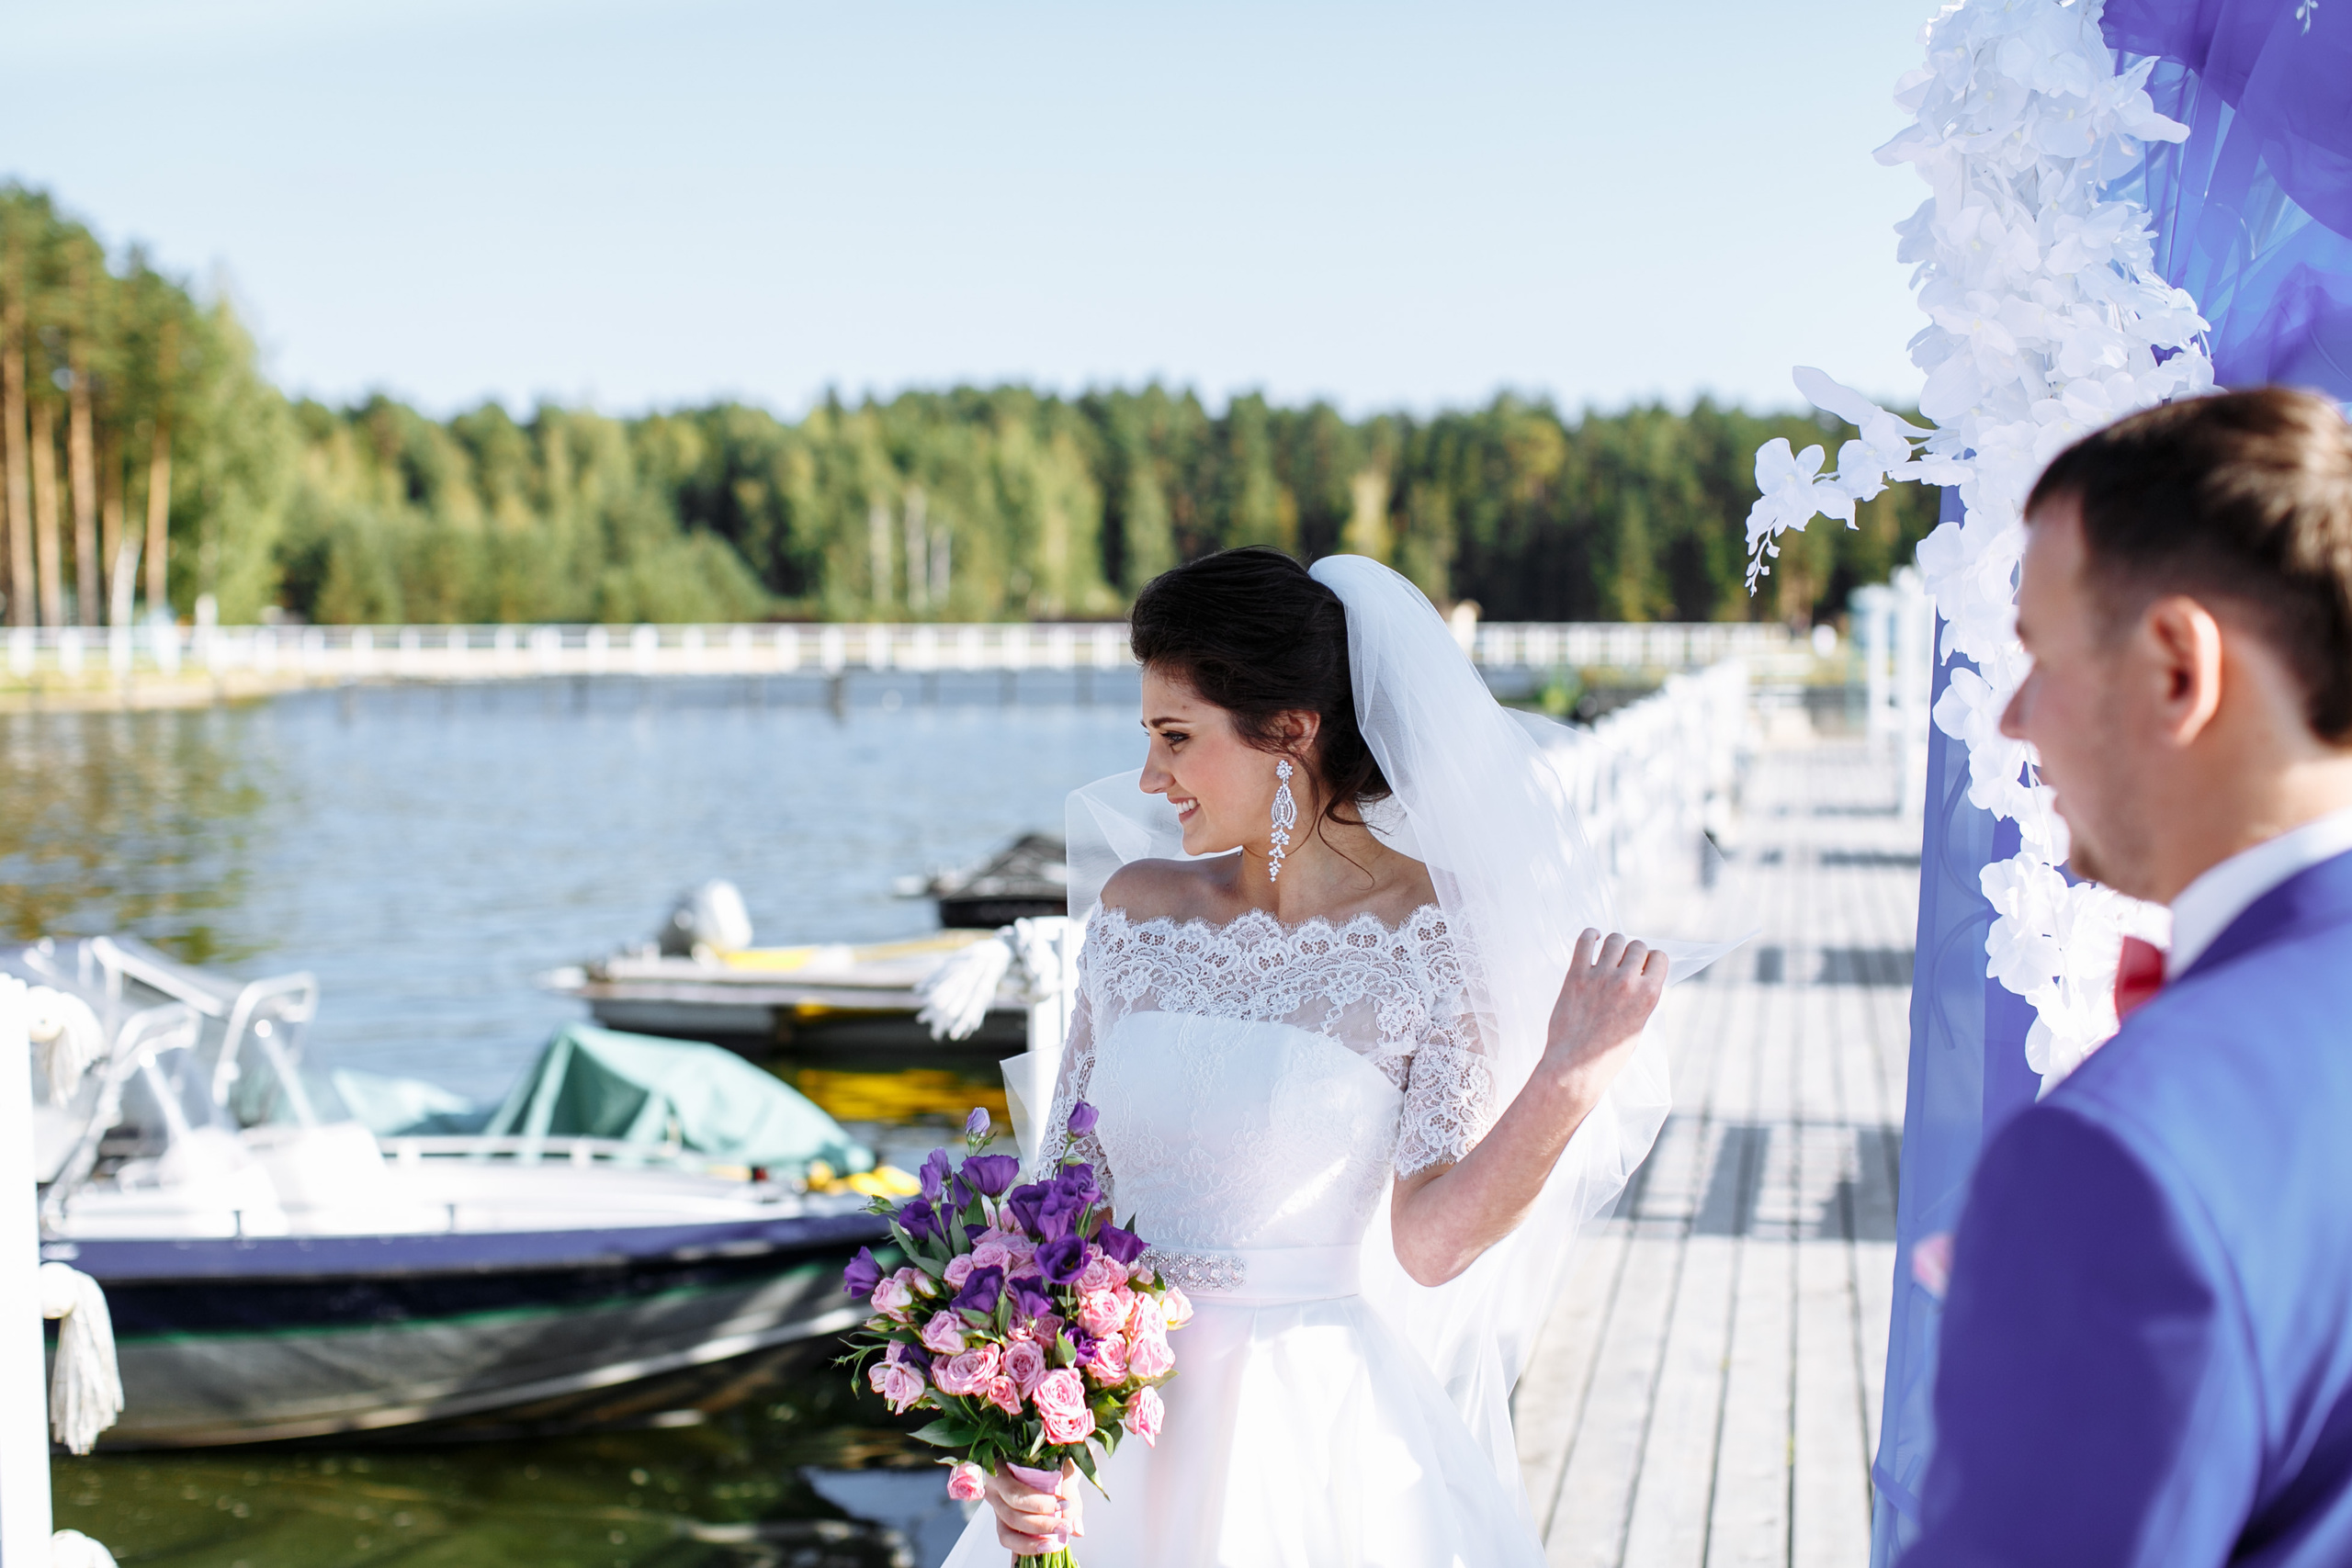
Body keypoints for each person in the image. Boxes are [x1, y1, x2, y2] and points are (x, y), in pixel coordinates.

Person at [937, 547, 1674, 1567]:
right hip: (1103, 1435)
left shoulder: (1435, 935)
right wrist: (1015, 1435)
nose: (1150, 778)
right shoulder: (1136, 911)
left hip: (1304, 1437)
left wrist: (1567, 1080)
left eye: (1177, 738)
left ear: (1289, 733)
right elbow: (1062, 1198)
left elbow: (1430, 1242)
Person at [1905, 387, 2352, 1566]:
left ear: (2172, 668)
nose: (2009, 719)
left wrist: (2060, 1254)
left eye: (2040, 657)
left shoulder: (2123, 1163)